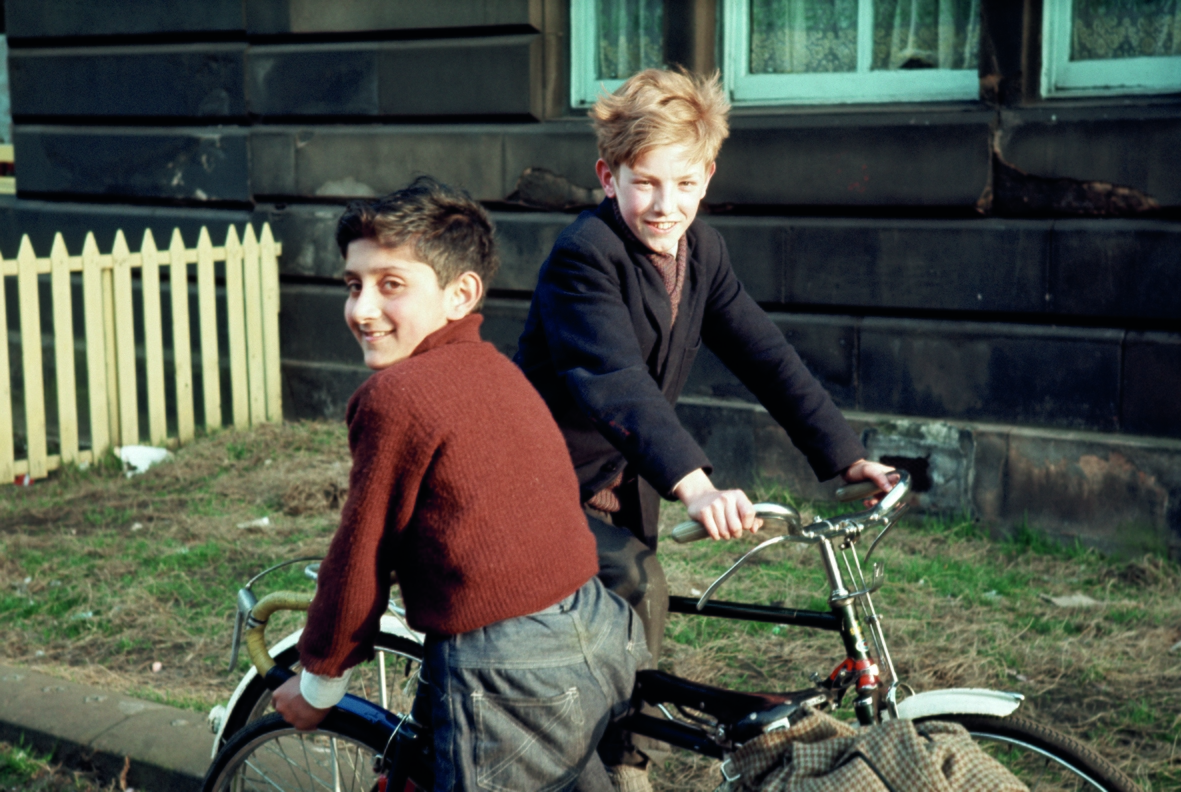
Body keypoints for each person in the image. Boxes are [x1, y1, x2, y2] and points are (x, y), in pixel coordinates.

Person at [514, 68, 895, 790]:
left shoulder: (702, 254)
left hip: (618, 484)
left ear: (708, 176)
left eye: (685, 184)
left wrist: (842, 457)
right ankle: (601, 769)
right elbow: (616, 382)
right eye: (646, 183)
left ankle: (611, 745)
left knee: (630, 622)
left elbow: (765, 355)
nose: (666, 206)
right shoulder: (583, 257)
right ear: (608, 176)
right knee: (630, 588)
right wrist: (697, 486)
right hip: (540, 479)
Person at [272, 176, 649, 792]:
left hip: (507, 667)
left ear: (460, 294)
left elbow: (362, 553)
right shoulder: (496, 369)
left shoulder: (396, 396)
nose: (363, 308)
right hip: (596, 629)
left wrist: (321, 682)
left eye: (390, 284)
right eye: (353, 284)